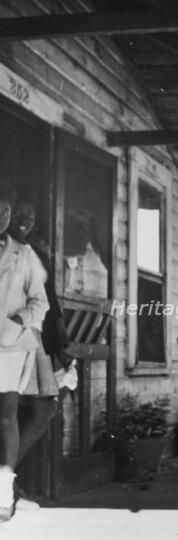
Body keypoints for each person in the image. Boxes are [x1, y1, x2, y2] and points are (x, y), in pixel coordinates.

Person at [9, 201, 70, 509]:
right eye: (17, 213)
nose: (23, 220)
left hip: (34, 339)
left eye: (29, 216)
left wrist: (60, 342)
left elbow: (51, 301)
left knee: (44, 407)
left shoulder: (35, 251)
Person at [0, 188, 49, 521]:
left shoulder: (24, 254)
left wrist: (19, 320)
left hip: (9, 345)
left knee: (6, 415)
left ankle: (3, 490)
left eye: (5, 212)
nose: (2, 218)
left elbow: (40, 302)